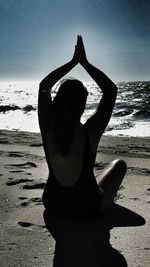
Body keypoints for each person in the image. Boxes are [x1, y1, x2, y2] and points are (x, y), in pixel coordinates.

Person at [38, 35, 127, 220]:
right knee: (118, 165)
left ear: (58, 101)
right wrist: (84, 62)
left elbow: (44, 86)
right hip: (86, 207)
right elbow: (110, 90)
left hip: (54, 203)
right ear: (83, 105)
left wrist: (72, 62)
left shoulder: (47, 126)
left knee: (94, 178)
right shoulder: (90, 131)